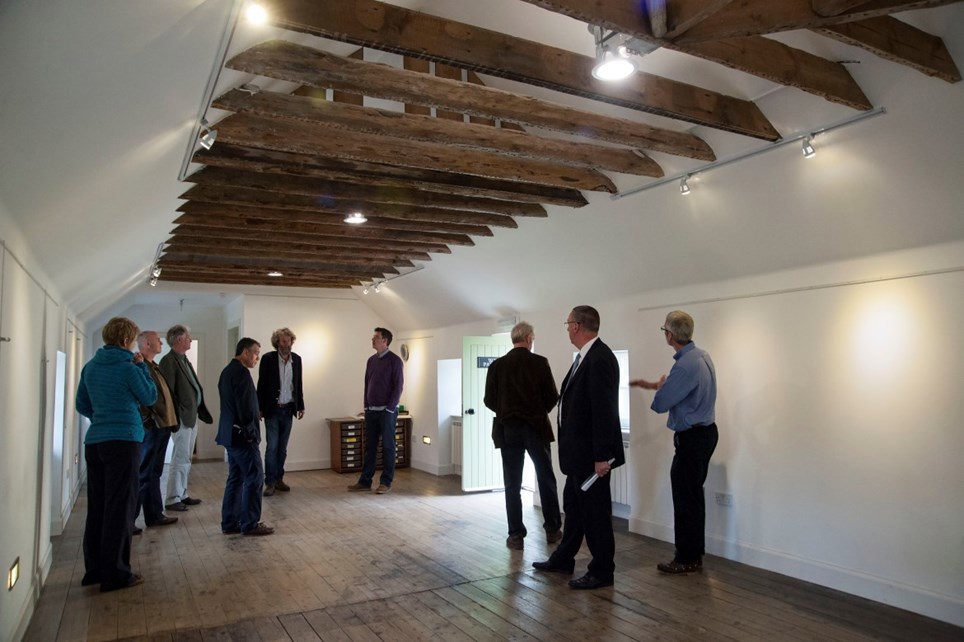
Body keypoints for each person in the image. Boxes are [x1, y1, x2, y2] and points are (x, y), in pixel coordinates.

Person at [532, 305, 624, 590]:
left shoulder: (599, 359)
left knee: (595, 514)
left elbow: (604, 411)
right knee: (573, 508)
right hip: (577, 455)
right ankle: (563, 558)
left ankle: (602, 570)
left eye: (568, 323)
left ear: (577, 326)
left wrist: (601, 457)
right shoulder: (585, 357)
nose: (567, 328)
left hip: (590, 458)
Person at [631, 310, 718, 574]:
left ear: (669, 335)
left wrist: (660, 388)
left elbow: (660, 404)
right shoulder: (703, 356)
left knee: (685, 499)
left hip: (692, 438)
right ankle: (694, 555)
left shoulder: (684, 365)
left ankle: (686, 558)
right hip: (706, 433)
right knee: (693, 496)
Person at [75, 317, 157, 592]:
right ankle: (117, 573)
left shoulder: (91, 367)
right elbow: (149, 397)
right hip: (124, 441)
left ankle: (95, 570)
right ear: (126, 341)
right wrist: (143, 368)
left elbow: (81, 404)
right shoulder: (129, 367)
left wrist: (103, 418)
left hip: (95, 441)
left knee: (98, 506)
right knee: (120, 508)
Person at [483, 321, 562, 550]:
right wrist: (537, 412)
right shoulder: (539, 363)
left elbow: (489, 400)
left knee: (512, 483)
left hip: (508, 429)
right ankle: (552, 529)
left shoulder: (497, 366)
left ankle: (516, 535)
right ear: (528, 338)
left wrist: (507, 411)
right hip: (536, 427)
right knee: (546, 479)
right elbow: (552, 396)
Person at [217, 338, 274, 536]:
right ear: (245, 352)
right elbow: (246, 408)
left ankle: (230, 522)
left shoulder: (227, 371)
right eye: (256, 353)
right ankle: (250, 523)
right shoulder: (241, 373)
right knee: (255, 477)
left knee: (236, 477)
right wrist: (251, 434)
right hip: (242, 437)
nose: (257, 357)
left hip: (230, 435)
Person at [159, 324, 212, 512]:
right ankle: (172, 498)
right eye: (188, 337)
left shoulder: (183, 359)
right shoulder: (169, 361)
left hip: (191, 416)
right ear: (179, 340)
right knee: (180, 457)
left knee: (186, 457)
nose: (190, 339)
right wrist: (179, 412)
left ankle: (182, 493)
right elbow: (167, 393)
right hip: (182, 417)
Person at [347, 327, 404, 494]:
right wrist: (366, 406)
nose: (372, 340)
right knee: (370, 447)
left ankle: (386, 482)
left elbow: (398, 387)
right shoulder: (371, 360)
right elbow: (367, 384)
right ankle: (365, 481)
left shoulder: (395, 361)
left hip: (387, 412)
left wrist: (389, 409)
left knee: (388, 446)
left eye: (376, 337)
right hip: (371, 411)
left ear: (384, 340)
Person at [135, 331, 179, 529]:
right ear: (146, 344)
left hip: (162, 426)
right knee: (147, 473)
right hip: (153, 428)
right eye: (157, 340)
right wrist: (149, 420)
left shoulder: (154, 366)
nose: (161, 342)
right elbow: (142, 398)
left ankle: (155, 514)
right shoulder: (140, 366)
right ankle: (140, 518)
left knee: (154, 472)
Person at [257, 327, 305, 496]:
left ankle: (279, 478)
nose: (287, 344)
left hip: (288, 409)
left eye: (289, 341)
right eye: (283, 341)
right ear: (277, 342)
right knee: (272, 447)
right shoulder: (268, 359)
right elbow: (261, 384)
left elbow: (298, 384)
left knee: (282, 448)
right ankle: (269, 481)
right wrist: (260, 408)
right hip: (272, 410)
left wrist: (300, 405)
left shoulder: (297, 360)